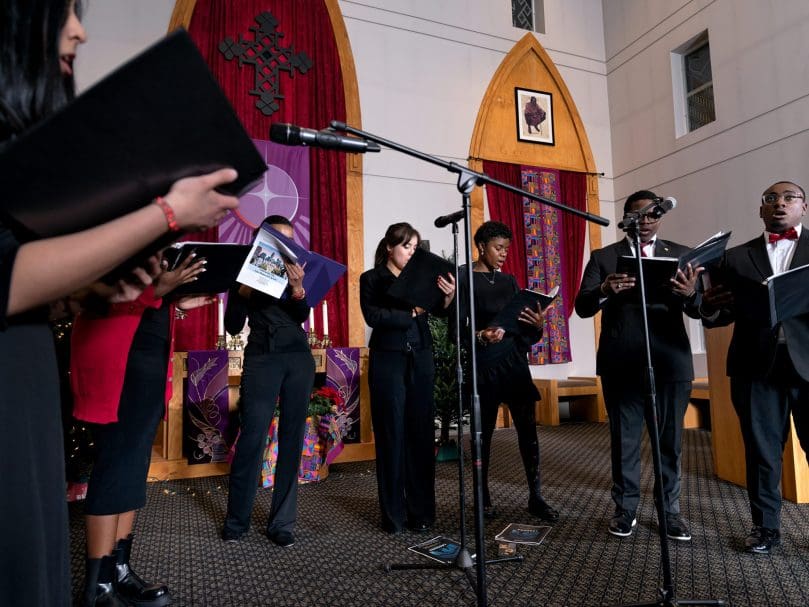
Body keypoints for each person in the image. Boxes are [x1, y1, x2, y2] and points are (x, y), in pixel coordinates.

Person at [0, 2, 239, 605]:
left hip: (31, 363)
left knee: (40, 551)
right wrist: (168, 213)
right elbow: (7, 275)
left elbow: (40, 282)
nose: (80, 30)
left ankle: (114, 571)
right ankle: (103, 575)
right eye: (65, 13)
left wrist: (97, 285)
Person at [70, 254, 211, 607]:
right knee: (115, 463)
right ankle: (97, 587)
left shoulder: (160, 243)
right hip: (119, 360)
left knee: (133, 466)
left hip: (150, 356)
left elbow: (150, 300)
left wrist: (174, 301)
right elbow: (88, 289)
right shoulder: (118, 228)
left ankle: (119, 569)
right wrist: (155, 291)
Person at [574, 190, 701, 540]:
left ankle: (670, 512)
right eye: (637, 215)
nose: (645, 221)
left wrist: (691, 293)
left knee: (669, 442)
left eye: (652, 215)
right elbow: (583, 306)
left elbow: (699, 308)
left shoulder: (681, 254)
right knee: (625, 441)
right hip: (621, 361)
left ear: (660, 217)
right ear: (626, 216)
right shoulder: (604, 257)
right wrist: (603, 288)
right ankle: (625, 509)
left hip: (670, 361)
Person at [701, 181, 809, 554]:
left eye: (789, 198)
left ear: (803, 207)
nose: (779, 204)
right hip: (755, 366)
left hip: (808, 363)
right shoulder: (734, 258)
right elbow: (717, 315)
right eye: (770, 199)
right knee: (762, 452)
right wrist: (708, 305)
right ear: (760, 210)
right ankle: (766, 529)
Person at [222, 215, 314, 548]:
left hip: (297, 357)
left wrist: (298, 289)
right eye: (279, 239)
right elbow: (233, 326)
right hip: (261, 356)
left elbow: (301, 316)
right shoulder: (243, 274)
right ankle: (237, 520)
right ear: (263, 240)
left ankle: (282, 523)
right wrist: (243, 293)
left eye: (291, 240)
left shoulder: (296, 272)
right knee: (252, 436)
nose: (286, 247)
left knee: (292, 437)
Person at [457, 220, 558, 522]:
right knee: (482, 434)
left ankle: (536, 496)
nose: (503, 254)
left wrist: (537, 325)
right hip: (485, 365)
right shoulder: (464, 278)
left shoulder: (511, 281)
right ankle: (482, 497)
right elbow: (456, 329)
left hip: (514, 363)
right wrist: (480, 335)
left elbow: (523, 328)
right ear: (481, 246)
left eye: (506, 249)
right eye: (498, 248)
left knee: (528, 431)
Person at [359, 222, 455, 534]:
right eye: (406, 246)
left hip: (421, 357)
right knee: (391, 436)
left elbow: (439, 314)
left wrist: (447, 298)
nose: (411, 252)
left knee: (421, 435)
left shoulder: (421, 276)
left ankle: (422, 513)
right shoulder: (371, 278)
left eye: (415, 247)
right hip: (388, 358)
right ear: (390, 247)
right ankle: (394, 516)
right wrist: (411, 313)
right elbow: (374, 317)